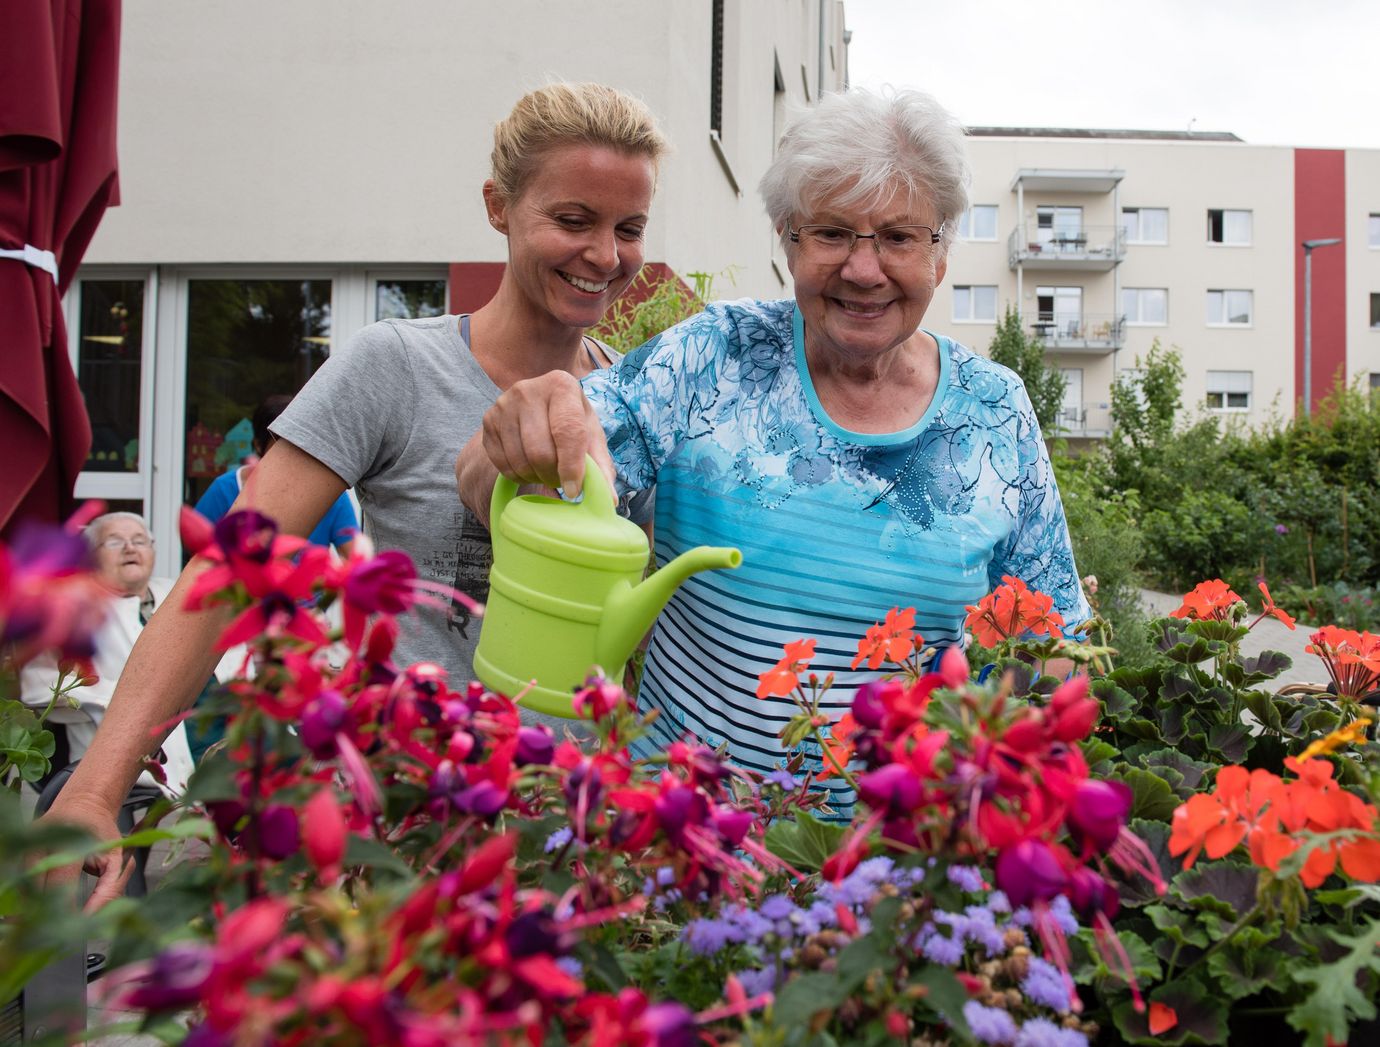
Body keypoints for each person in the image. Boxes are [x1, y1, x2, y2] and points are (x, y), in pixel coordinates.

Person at [42, 83, 667, 908]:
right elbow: (220, 578)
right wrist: (93, 790)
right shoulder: (395, 365)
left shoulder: (634, 399)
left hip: (571, 845)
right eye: (574, 220)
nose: (604, 255)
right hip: (409, 833)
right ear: (498, 207)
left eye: (628, 230)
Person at [458, 88, 1090, 810]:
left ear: (941, 251)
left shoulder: (996, 410)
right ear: (788, 239)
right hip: (683, 856)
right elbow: (497, 474)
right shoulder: (715, 356)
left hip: (907, 872)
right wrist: (521, 430)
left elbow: (1055, 648)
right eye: (831, 233)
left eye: (898, 237)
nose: (863, 268)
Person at [21, 512, 195, 797]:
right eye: (115, 542)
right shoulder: (73, 609)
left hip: (213, 735)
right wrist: (111, 696)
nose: (130, 548)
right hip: (131, 757)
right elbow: (36, 685)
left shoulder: (180, 594)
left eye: (139, 540)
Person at [194, 394, 358, 556]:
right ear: (258, 445)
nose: (293, 457)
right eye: (281, 448)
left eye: (302, 446)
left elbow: (354, 556)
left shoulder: (330, 494)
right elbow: (199, 552)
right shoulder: (225, 489)